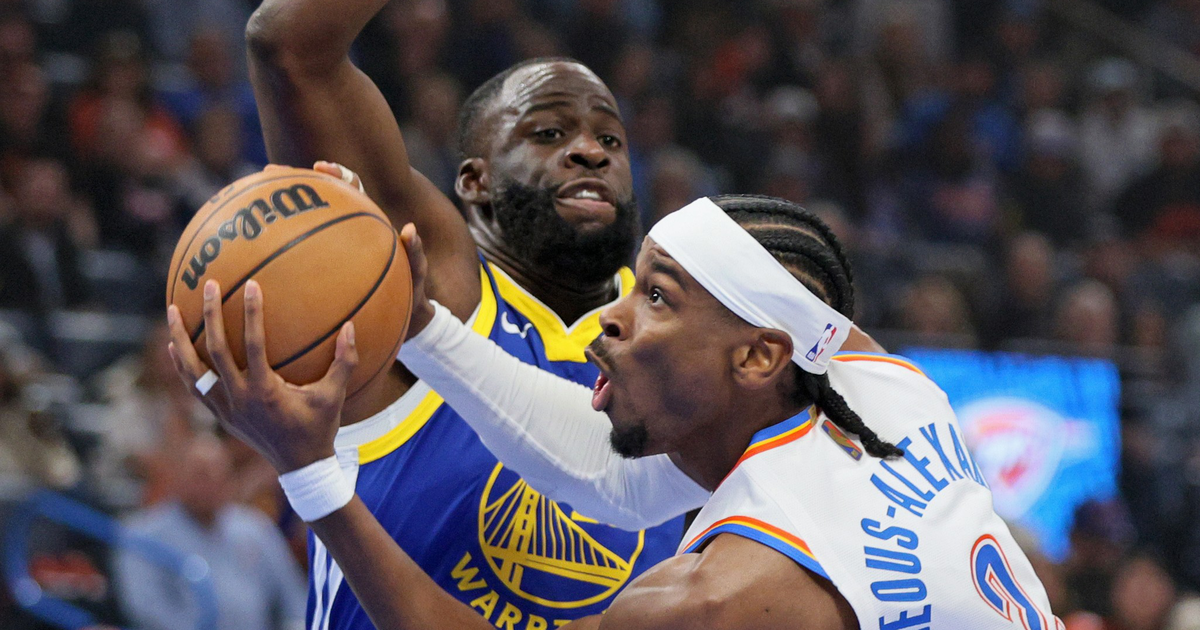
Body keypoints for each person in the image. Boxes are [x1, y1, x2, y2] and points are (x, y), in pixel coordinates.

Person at [168, 194, 1062, 628]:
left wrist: (311, 473)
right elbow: (610, 476)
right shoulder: (875, 383)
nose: (611, 317)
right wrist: (417, 324)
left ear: (758, 357)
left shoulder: (727, 596)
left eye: (659, 298)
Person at [233, 0, 691, 626]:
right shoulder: (413, 282)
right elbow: (288, 45)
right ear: (475, 182)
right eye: (549, 134)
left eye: (611, 139)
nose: (591, 150)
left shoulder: (682, 334)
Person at [115, 435, 306, 630]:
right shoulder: (144, 535)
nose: (211, 484)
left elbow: (294, 599)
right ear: (177, 476)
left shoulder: (255, 528)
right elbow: (146, 610)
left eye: (220, 474)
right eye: (202, 475)